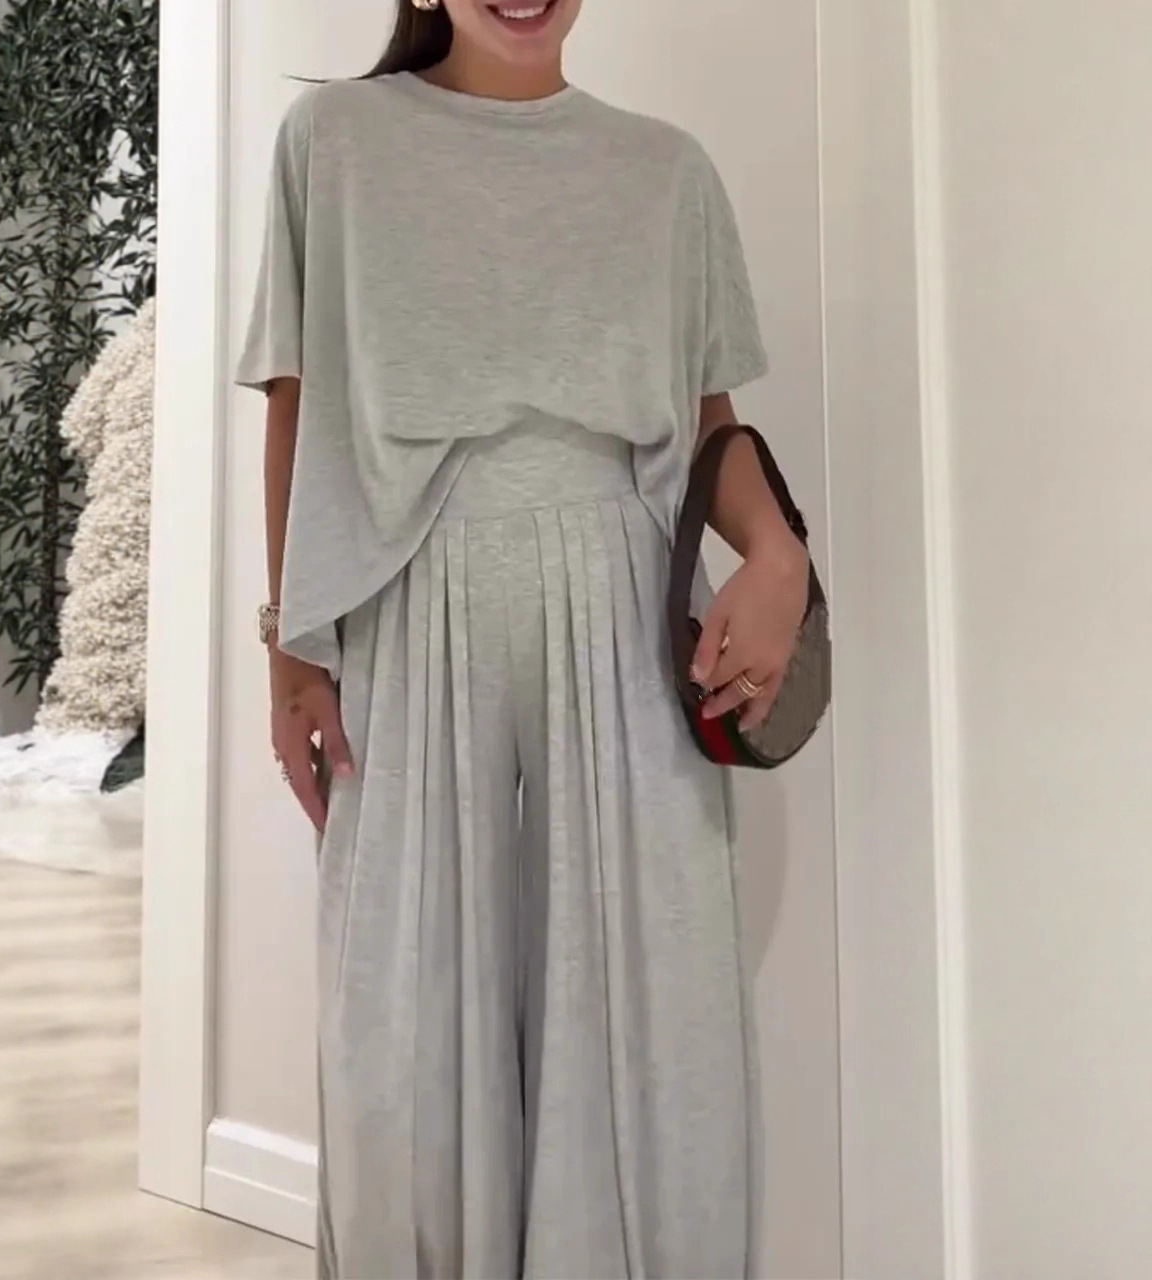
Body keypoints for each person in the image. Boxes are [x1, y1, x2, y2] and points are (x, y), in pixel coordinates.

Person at [236, 2, 810, 1275]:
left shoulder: (665, 170)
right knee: (399, 1026)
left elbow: (705, 419)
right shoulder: (332, 140)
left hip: (618, 606)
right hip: (404, 597)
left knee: (648, 1009)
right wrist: (289, 648)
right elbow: (296, 406)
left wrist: (775, 551)